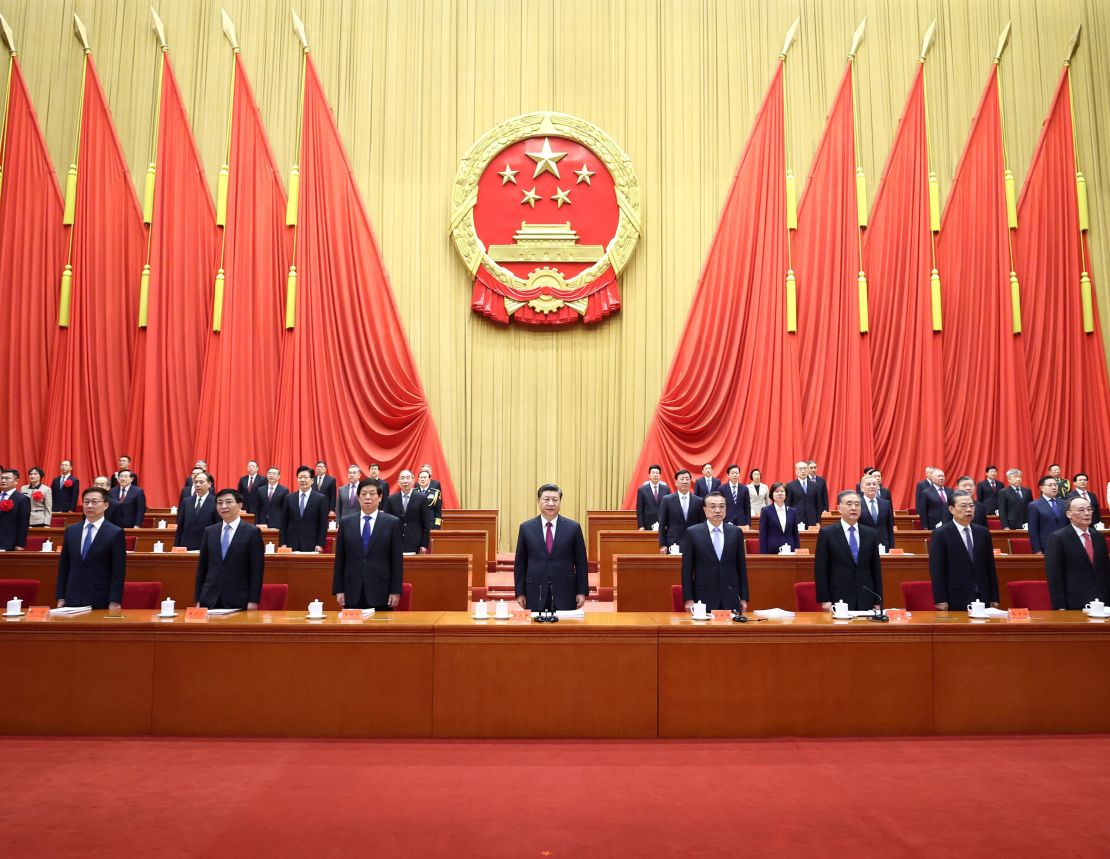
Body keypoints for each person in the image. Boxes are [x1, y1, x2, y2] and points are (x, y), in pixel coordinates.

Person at [514, 483, 589, 610]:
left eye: (555, 500)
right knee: (537, 627)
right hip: (535, 589)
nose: (550, 503)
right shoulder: (526, 528)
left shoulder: (573, 527)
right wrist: (520, 592)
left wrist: (581, 591)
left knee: (564, 626)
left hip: (566, 589)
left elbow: (581, 563)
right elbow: (520, 564)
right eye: (546, 499)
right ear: (538, 501)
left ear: (560, 502)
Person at [333, 480, 403, 610]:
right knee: (352, 629)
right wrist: (339, 590)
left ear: (380, 497)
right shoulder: (346, 522)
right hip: (352, 590)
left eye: (372, 493)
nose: (368, 497)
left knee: (379, 630)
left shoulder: (392, 523)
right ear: (358, 497)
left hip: (382, 590)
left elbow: (397, 560)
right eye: (364, 494)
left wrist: (395, 591)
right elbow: (340, 559)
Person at [55, 487, 126, 609]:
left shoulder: (115, 533)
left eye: (94, 502)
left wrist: (114, 600)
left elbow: (118, 571)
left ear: (106, 505)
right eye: (86, 502)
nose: (89, 505)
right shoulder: (71, 531)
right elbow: (64, 566)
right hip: (72, 596)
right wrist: (61, 596)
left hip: (100, 597)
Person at [194, 489, 265, 610]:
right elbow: (202, 568)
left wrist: (253, 600)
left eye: (228, 502)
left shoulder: (252, 532)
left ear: (240, 505)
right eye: (219, 503)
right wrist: (198, 599)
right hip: (209, 598)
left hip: (239, 599)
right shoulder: (209, 531)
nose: (223, 506)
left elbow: (257, 570)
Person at [928, 490, 999, 611]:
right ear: (951, 509)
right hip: (955, 596)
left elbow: (990, 567)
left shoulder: (983, 532)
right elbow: (937, 569)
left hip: (982, 596)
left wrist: (994, 597)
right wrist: (940, 599)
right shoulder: (940, 534)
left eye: (971, 506)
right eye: (963, 506)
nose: (969, 509)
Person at [814, 490, 882, 611]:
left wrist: (878, 600)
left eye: (857, 504)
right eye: (849, 504)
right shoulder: (827, 533)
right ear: (839, 508)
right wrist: (825, 599)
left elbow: (876, 569)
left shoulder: (870, 534)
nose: (853, 508)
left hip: (866, 597)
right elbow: (820, 569)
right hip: (838, 597)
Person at [681, 491, 749, 611]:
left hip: (730, 594)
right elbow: (687, 569)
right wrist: (689, 598)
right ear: (705, 510)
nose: (718, 510)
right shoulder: (692, 532)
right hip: (703, 596)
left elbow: (741, 567)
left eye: (722, 506)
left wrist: (744, 597)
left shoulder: (736, 532)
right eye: (713, 506)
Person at [1044, 496, 1110, 610]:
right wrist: (1060, 607)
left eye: (1089, 509)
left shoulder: (1098, 537)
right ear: (1069, 514)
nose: (1087, 513)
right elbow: (1054, 576)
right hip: (1074, 602)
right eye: (1081, 510)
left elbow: (1106, 571)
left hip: (1102, 602)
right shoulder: (1058, 538)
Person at [280, 466, 328, 552]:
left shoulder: (320, 498)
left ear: (312, 480)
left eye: (305, 477)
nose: (302, 480)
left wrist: (320, 544)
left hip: (312, 543)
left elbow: (323, 524)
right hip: (291, 543)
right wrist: (283, 543)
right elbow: (283, 523)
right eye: (300, 477)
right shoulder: (289, 498)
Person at [383, 469, 433, 553]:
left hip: (415, 541)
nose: (405, 481)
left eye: (407, 478)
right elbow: (387, 524)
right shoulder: (391, 499)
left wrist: (424, 544)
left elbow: (426, 524)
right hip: (396, 541)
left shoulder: (422, 498)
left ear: (413, 480)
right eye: (402, 478)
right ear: (398, 482)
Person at [658, 469, 705, 552]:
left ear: (690, 481)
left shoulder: (699, 501)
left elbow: (702, 524)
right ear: (676, 482)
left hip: (694, 541)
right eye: (682, 479)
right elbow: (662, 524)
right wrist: (662, 544)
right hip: (673, 542)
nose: (685, 481)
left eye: (687, 479)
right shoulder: (667, 500)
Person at [175, 472, 218, 550]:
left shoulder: (216, 502)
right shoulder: (186, 502)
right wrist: (176, 546)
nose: (198, 485)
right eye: (195, 482)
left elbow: (218, 526)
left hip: (207, 545)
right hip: (186, 546)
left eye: (201, 482)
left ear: (209, 484)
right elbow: (180, 526)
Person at [1028, 475, 1067, 554]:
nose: (1054, 487)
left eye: (1055, 485)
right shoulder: (1034, 505)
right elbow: (1033, 530)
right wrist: (1037, 550)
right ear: (1042, 488)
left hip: (1065, 543)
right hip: (1046, 545)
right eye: (1050, 485)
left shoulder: (1064, 503)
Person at [758, 482, 799, 554]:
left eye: (782, 491)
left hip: (790, 550)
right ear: (772, 494)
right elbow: (763, 534)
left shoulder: (792, 511)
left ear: (786, 494)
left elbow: (795, 533)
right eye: (777, 491)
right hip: (772, 550)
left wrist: (798, 550)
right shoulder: (766, 511)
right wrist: (763, 553)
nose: (780, 493)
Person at [858, 474, 895, 548]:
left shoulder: (885, 503)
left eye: (874, 484)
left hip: (883, 544)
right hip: (864, 544)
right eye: (868, 484)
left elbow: (890, 527)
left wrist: (891, 547)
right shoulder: (857, 504)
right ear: (862, 488)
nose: (872, 486)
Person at [0, 468, 31, 550]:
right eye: (1, 478)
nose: (3, 480)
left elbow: (23, 524)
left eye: (7, 478)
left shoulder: (22, 499)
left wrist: (20, 544)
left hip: (8, 542)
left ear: (16, 481)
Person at [635, 464, 670, 530]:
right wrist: (641, 526)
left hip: (663, 524)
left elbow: (668, 508)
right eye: (653, 473)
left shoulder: (666, 489)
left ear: (660, 476)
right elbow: (639, 510)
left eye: (657, 473)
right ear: (649, 475)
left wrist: (667, 524)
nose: (655, 475)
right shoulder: (642, 490)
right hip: (647, 524)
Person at [785, 461, 820, 528]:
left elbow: (818, 505)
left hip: (812, 520)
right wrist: (789, 520)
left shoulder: (815, 485)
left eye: (805, 468)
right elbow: (788, 505)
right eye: (800, 469)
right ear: (796, 471)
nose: (803, 471)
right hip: (796, 519)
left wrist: (818, 521)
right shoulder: (790, 485)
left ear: (808, 470)